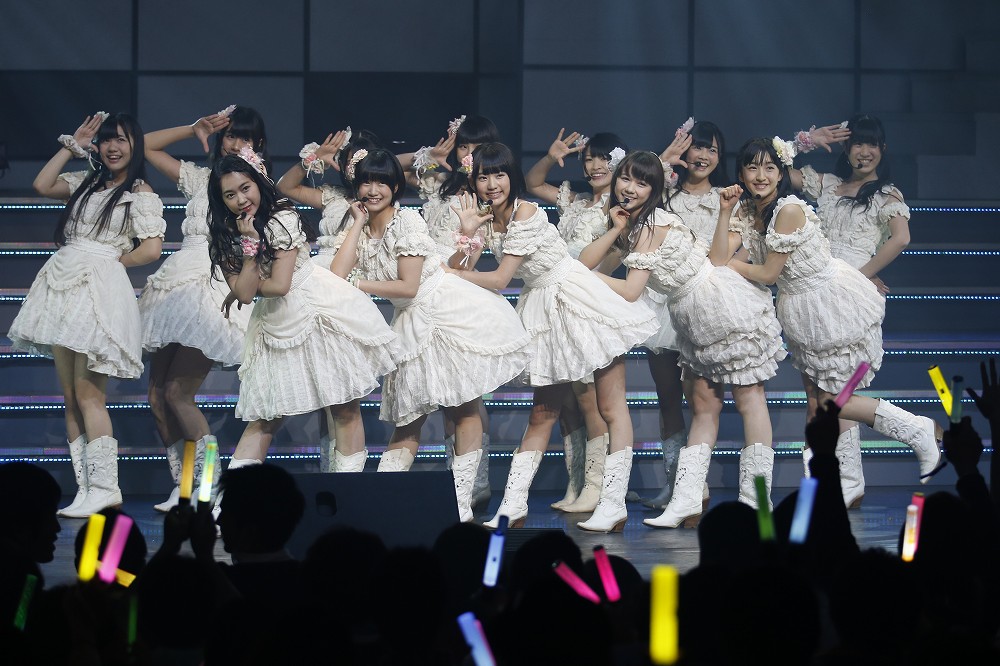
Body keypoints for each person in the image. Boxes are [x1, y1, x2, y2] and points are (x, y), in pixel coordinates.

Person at [448, 142, 658, 532]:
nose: (492, 184)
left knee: (611, 407)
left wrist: (456, 272)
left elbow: (499, 278)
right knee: (542, 413)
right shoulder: (487, 219)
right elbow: (461, 267)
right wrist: (467, 233)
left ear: (511, 176)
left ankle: (612, 503)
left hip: (576, 297)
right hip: (542, 307)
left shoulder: (526, 212)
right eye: (483, 176)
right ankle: (512, 507)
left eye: (499, 174)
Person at [583, 150, 784, 527]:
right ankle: (687, 499)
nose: (630, 188)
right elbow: (589, 261)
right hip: (690, 313)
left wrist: (584, 278)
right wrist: (611, 230)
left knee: (749, 399)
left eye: (642, 183)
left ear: (655, 190)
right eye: (625, 179)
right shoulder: (633, 224)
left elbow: (630, 290)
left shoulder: (651, 224)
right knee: (703, 405)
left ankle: (757, 502)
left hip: (718, 303)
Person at [330, 149, 530, 522]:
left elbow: (407, 286)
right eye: (366, 182)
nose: (373, 190)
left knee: (464, 407)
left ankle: (460, 504)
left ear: (395, 187)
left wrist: (358, 283)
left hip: (443, 310)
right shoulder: (360, 229)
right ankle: (379, 504)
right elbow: (337, 273)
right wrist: (356, 224)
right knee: (408, 421)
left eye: (381, 182)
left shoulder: (407, 222)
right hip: (410, 323)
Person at [726, 137, 942, 484]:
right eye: (752, 168)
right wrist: (725, 213)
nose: (760, 175)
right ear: (741, 173)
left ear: (781, 173)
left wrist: (731, 266)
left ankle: (917, 430)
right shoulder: (752, 210)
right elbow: (723, 256)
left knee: (832, 401)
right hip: (800, 309)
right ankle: (834, 482)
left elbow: (766, 274)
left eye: (769, 168)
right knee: (817, 401)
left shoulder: (788, 210)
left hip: (829, 302)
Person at [9, 112, 166, 517]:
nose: (113, 147)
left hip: (97, 290)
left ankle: (106, 487)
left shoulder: (140, 191)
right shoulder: (86, 181)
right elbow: (42, 185)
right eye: (106, 140)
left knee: (88, 394)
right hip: (64, 286)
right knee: (69, 397)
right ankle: (86, 489)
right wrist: (71, 147)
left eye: (121, 140)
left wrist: (110, 262)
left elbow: (151, 248)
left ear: (135, 146)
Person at [206, 148, 397, 478]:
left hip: (317, 309)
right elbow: (248, 294)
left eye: (245, 188)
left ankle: (348, 495)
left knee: (344, 408)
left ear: (258, 184)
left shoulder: (282, 218)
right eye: (230, 194)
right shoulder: (225, 235)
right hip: (276, 323)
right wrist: (250, 249)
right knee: (265, 417)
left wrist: (242, 287)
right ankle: (233, 499)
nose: (241, 199)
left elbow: (278, 285)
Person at [140, 105, 261, 510]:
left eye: (244, 136)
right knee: (157, 395)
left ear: (258, 144)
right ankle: (185, 485)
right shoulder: (200, 179)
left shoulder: (253, 187)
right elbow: (144, 146)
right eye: (229, 135)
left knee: (178, 392)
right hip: (176, 284)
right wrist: (192, 128)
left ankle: (210, 486)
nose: (234, 143)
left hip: (213, 283)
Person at [785, 115, 910, 507]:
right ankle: (819, 481)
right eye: (857, 143)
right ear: (845, 147)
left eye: (872, 144)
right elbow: (772, 172)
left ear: (882, 150)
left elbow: (901, 238)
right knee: (814, 396)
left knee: (839, 394)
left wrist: (860, 275)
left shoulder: (886, 195)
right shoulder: (826, 184)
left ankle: (850, 479)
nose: (864, 151)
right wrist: (804, 142)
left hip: (850, 301)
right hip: (814, 298)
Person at [524, 130, 627, 514]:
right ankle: (576, 481)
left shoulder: (619, 208)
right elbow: (534, 182)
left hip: (588, 302)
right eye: (588, 159)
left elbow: (613, 257)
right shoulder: (576, 201)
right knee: (565, 400)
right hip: (556, 303)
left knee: (588, 397)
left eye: (602, 158)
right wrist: (551, 156)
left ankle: (596, 487)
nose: (594, 166)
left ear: (618, 163)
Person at [276, 127, 382, 472]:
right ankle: (330, 475)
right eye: (350, 162)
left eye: (363, 163)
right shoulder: (333, 197)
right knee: (324, 389)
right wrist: (313, 159)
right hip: (313, 287)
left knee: (345, 394)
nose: (356, 169)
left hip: (346, 290)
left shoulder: (378, 201)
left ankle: (346, 482)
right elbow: (284, 188)